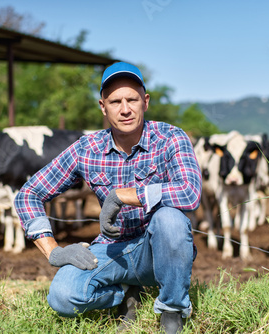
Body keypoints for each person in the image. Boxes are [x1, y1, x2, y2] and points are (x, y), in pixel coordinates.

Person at [14, 61, 202, 333]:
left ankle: (172, 310)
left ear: (145, 102)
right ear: (103, 107)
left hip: (157, 248)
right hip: (112, 249)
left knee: (170, 219)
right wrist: (53, 251)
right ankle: (123, 293)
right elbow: (28, 194)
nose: (125, 109)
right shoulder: (87, 148)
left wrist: (124, 195)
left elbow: (190, 191)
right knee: (62, 297)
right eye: (115, 101)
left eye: (132, 99)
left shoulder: (170, 137)